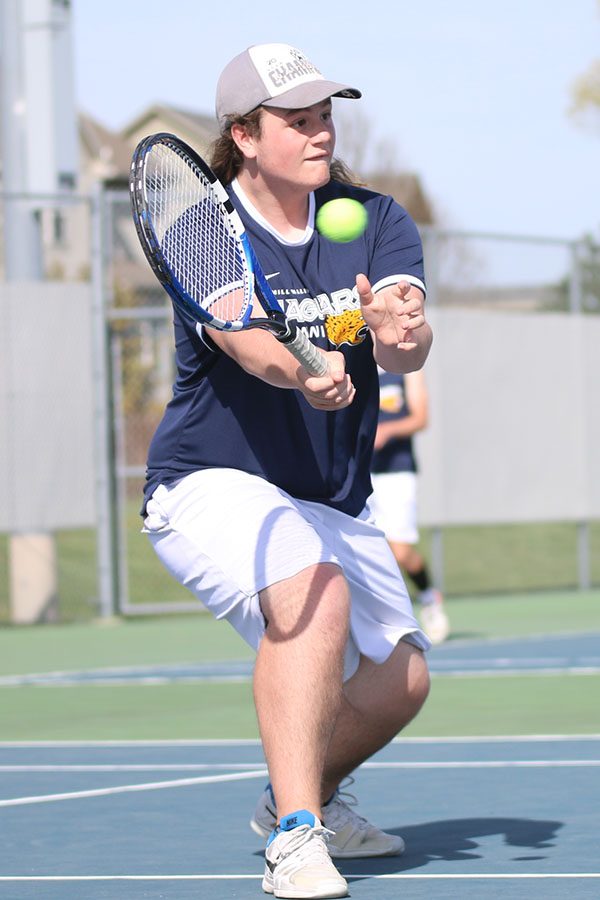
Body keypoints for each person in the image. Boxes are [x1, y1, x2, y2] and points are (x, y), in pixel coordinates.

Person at [142, 42, 434, 900]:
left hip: (329, 492)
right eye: (295, 120)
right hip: (210, 478)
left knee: (403, 678)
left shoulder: (376, 219)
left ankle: (296, 796)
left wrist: (398, 324)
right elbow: (243, 338)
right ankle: (299, 842)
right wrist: (302, 370)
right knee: (314, 592)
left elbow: (408, 346)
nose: (318, 133)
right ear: (243, 134)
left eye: (323, 116)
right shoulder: (207, 228)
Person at [370, 368, 450, 644]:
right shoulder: (351, 359)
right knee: (366, 553)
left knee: (401, 553)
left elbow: (421, 418)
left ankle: (429, 598)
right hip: (358, 474)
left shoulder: (405, 369)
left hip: (396, 472)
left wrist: (388, 430)